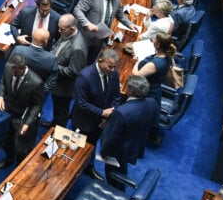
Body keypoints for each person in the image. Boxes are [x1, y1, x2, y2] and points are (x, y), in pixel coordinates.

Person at [71, 48, 122, 181]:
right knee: (77, 147)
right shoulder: (85, 76)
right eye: (110, 66)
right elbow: (81, 103)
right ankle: (72, 170)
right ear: (100, 61)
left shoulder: (113, 73)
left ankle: (89, 167)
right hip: (83, 120)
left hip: (101, 121)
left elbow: (116, 95)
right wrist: (101, 112)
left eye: (114, 67)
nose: (112, 69)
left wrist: (108, 115)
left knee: (92, 145)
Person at [99, 75, 158, 188]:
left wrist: (103, 153)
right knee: (122, 168)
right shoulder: (152, 102)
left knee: (112, 174)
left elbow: (111, 137)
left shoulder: (122, 112)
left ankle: (115, 194)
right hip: (136, 143)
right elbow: (154, 123)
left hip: (117, 151)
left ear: (130, 91)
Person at [0, 53, 45, 168]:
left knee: (21, 147)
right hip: (8, 111)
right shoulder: (8, 67)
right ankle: (9, 159)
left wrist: (28, 123)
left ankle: (20, 166)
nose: (13, 73)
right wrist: (0, 96)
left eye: (16, 72)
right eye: (12, 70)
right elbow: (3, 81)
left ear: (24, 68)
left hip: (23, 116)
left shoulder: (36, 82)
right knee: (7, 139)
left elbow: (37, 105)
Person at [74, 0, 138, 63]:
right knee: (79, 60)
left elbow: (120, 15)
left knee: (91, 59)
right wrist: (87, 23)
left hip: (101, 36)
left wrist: (130, 24)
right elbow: (78, 10)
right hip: (86, 36)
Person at [48, 14, 87, 128]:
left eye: (62, 29)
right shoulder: (67, 34)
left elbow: (73, 71)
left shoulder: (77, 48)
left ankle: (56, 132)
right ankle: (53, 124)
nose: (59, 31)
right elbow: (57, 47)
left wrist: (53, 66)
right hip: (58, 83)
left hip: (65, 87)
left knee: (62, 111)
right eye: (59, 27)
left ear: (73, 28)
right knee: (57, 107)